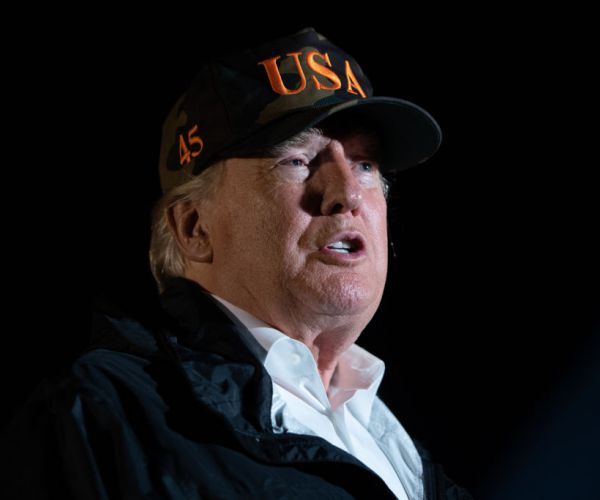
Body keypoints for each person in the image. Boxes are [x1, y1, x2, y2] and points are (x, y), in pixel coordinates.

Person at [0, 28, 472, 499]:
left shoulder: (392, 443)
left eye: (366, 165)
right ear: (194, 228)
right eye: (298, 160)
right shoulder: (101, 419)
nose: (347, 193)